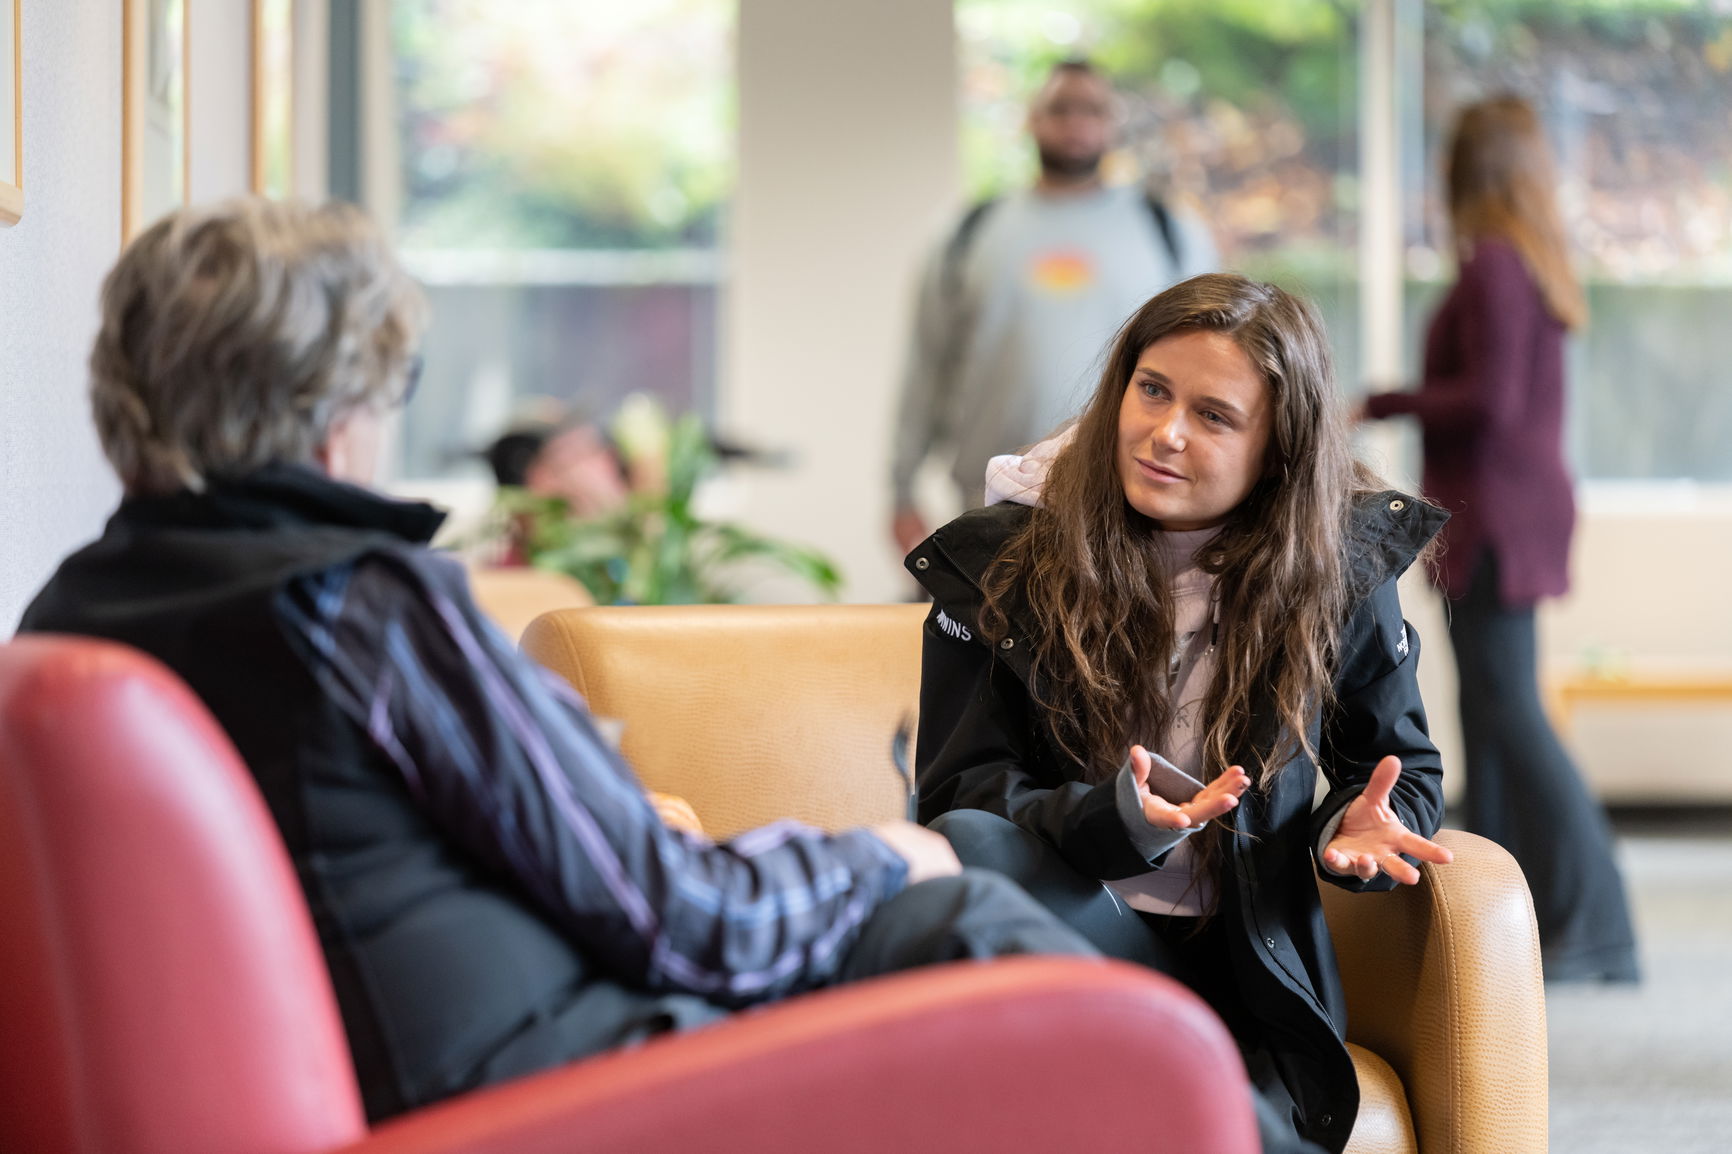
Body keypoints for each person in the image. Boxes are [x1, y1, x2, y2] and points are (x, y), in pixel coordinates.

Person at [18, 196, 1095, 1123]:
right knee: (964, 918)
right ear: (338, 408)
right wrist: (885, 857)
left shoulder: (72, 612)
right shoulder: (358, 606)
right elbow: (688, 920)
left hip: (428, 1078)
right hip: (556, 1097)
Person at [905, 273, 1455, 1154]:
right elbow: (960, 794)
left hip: (1245, 962)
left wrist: (1356, 830)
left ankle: (1191, 1092)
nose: (1165, 434)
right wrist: (1116, 820)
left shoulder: (1338, 568)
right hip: (1066, 932)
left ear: (1278, 448)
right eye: (1152, 390)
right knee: (972, 847)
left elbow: (1398, 769)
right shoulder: (1000, 560)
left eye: (1215, 415)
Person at [1358, 95, 1639, 984]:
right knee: (1486, 711)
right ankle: (1507, 918)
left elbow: (1489, 401)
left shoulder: (1495, 269)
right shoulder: (1523, 264)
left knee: (1511, 711)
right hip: (1504, 511)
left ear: (1466, 170)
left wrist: (1382, 401)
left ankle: (1597, 921)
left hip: (1495, 517)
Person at [889, 58, 1218, 556]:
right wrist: (901, 486)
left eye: (1092, 109)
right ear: (1031, 119)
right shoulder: (969, 233)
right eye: (1059, 108)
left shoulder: (1169, 233)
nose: (1076, 121)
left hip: (1136, 510)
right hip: (991, 507)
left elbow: (1215, 367)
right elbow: (926, 364)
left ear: (1114, 123)